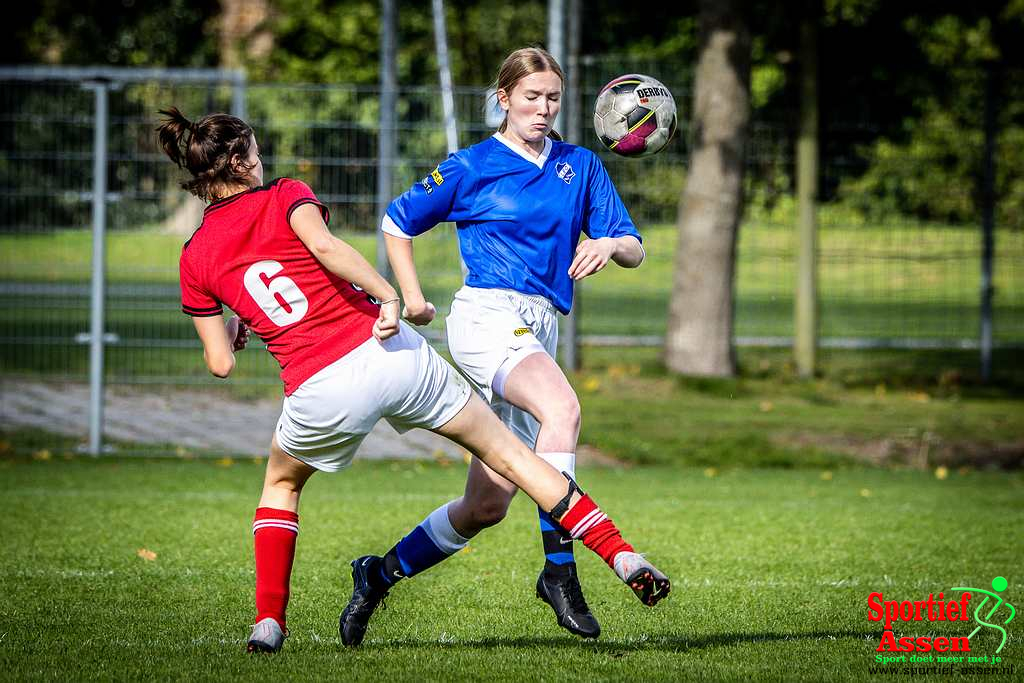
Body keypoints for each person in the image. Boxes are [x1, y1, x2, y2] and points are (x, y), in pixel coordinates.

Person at [157, 107, 669, 654]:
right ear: (237, 161)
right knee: (516, 461)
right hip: (393, 353)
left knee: (281, 486)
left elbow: (220, 363)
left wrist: (236, 324)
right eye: (255, 153)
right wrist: (388, 296)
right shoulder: (285, 194)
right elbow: (327, 248)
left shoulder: (195, 257)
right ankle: (619, 553)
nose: (262, 162)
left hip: (320, 387)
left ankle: (268, 624)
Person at [367, 46, 648, 641]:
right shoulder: (470, 166)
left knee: (486, 506)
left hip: (538, 325)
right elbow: (396, 221)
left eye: (552, 98)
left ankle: (379, 575)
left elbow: (634, 246)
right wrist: (412, 298)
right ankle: (561, 572)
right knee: (563, 409)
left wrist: (608, 246)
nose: (543, 109)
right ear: (503, 99)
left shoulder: (580, 165)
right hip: (487, 318)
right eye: (530, 97)